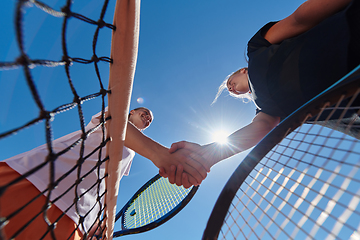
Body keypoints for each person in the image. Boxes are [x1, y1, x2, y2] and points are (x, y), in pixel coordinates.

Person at [160, 0, 360, 188]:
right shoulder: (265, 110)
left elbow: (300, 19)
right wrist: (209, 154)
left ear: (242, 70)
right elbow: (260, 128)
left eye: (230, 82)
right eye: (231, 91)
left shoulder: (255, 49)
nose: (231, 88)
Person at [0, 107, 206, 239]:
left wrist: (99, 220)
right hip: (33, 180)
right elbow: (115, 121)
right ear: (131, 111)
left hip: (74, 222)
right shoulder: (115, 110)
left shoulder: (131, 154)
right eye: (144, 113)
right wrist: (163, 156)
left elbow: (108, 185)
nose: (147, 118)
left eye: (150, 119)